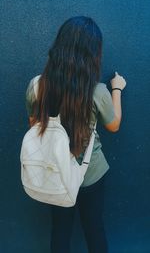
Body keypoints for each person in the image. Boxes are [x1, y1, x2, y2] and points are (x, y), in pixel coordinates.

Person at [26, 16, 126, 253]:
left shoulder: (37, 86)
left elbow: (34, 128)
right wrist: (117, 89)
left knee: (60, 230)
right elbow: (114, 126)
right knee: (94, 228)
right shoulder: (98, 91)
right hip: (90, 173)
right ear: (93, 54)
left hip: (54, 171)